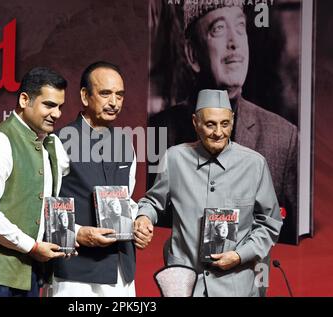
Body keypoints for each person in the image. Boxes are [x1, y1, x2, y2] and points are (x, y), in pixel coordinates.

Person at [148, 1, 298, 244]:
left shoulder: (283, 137)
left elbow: (282, 231)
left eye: (240, 28)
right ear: (192, 54)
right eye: (218, 29)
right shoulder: (159, 131)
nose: (234, 42)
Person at [136, 89, 283, 297]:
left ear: (232, 120)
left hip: (235, 286)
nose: (218, 132)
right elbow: (153, 201)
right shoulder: (174, 158)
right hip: (184, 284)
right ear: (195, 122)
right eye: (210, 124)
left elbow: (270, 223)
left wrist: (240, 255)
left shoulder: (254, 164)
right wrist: (143, 217)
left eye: (225, 124)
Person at [0, 67, 72, 297]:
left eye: (60, 107)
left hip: (30, 272)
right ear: (24, 100)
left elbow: (45, 210)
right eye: (49, 105)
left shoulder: (52, 146)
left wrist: (76, 233)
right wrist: (33, 246)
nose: (57, 114)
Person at [51, 61, 152, 297]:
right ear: (85, 96)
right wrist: (76, 233)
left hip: (122, 272)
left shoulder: (125, 144)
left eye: (119, 95)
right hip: (76, 274)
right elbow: (44, 206)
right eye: (105, 93)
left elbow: (127, 199)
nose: (114, 102)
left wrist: (140, 222)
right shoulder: (58, 142)